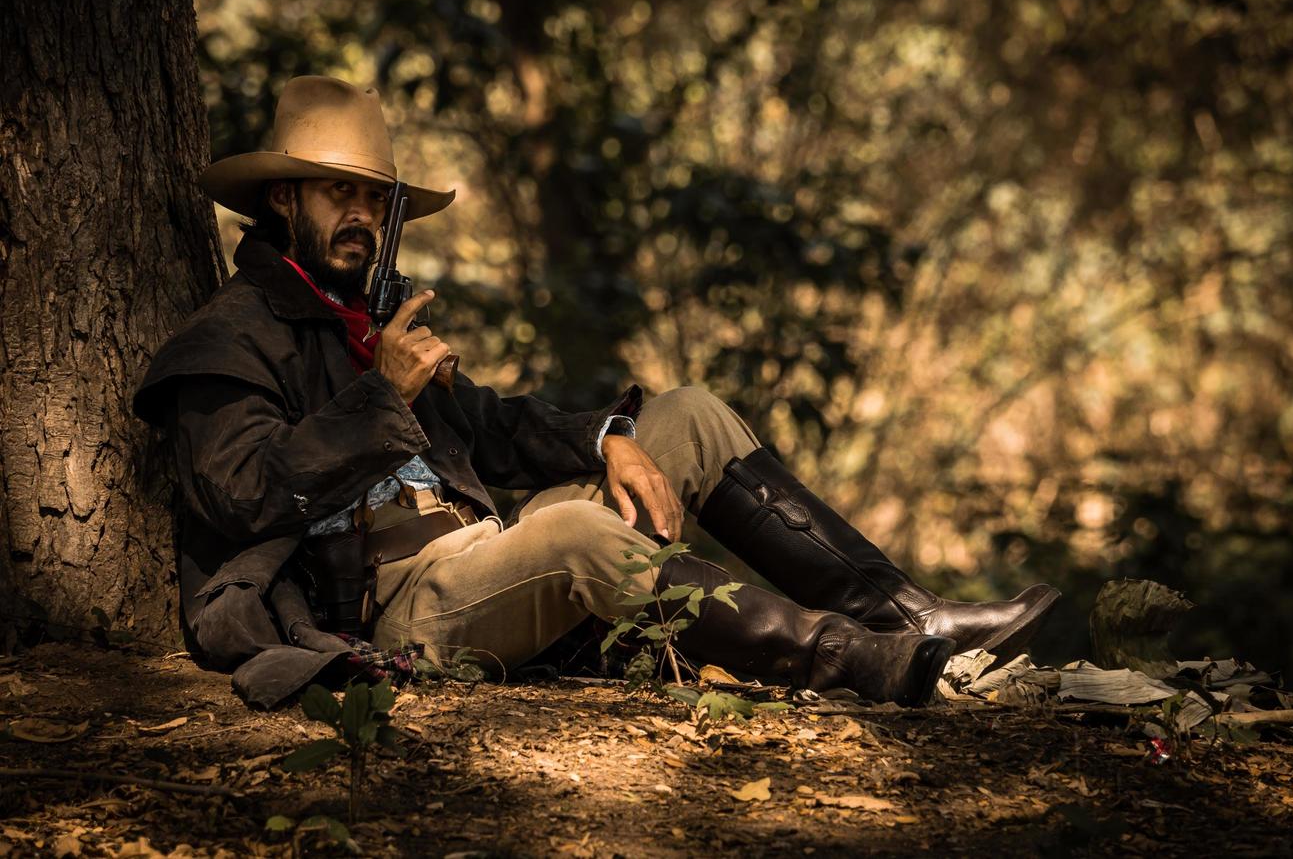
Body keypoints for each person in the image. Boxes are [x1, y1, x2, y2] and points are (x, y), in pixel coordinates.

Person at [133, 76, 1059, 709]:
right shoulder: (228, 338)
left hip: (487, 554)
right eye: (339, 193)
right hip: (395, 610)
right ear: (283, 201)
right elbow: (246, 495)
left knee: (686, 415)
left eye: (377, 200)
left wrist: (607, 436)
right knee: (575, 532)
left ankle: (910, 615)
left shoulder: (366, 319)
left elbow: (494, 430)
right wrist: (380, 400)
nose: (364, 217)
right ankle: (870, 664)